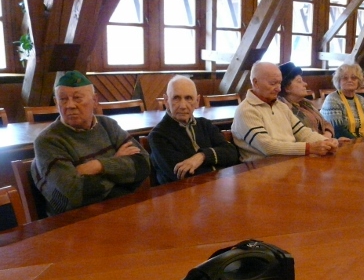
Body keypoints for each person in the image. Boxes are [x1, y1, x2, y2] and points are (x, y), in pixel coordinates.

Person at [31, 70, 150, 216]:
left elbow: (143, 165)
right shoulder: (48, 141)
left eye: (77, 98)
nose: (70, 105)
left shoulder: (108, 125)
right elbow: (74, 194)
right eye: (63, 99)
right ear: (56, 103)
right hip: (75, 220)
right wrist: (118, 166)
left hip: (120, 208)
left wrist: (96, 166)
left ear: (94, 100)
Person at [232, 61, 338, 162]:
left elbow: (302, 132)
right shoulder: (246, 110)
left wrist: (326, 142)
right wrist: (309, 148)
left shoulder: (281, 106)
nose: (278, 89)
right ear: (256, 83)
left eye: (279, 83)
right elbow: (267, 147)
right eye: (273, 83)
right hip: (260, 168)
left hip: (289, 164)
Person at [148, 75, 239, 184]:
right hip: (183, 192)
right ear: (166, 101)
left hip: (216, 186)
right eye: (176, 98)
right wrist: (218, 163)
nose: (183, 106)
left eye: (188, 98)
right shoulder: (158, 136)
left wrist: (202, 156)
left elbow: (232, 153)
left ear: (197, 101)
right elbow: (182, 174)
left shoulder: (205, 125)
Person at [277, 62, 336, 139]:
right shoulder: (284, 109)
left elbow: (325, 123)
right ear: (287, 88)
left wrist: (327, 136)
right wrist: (324, 140)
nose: (305, 84)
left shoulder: (305, 103)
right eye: (299, 81)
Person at [320, 63, 364, 139]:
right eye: (345, 78)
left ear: (359, 81)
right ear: (339, 81)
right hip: (341, 141)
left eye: (354, 78)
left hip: (362, 140)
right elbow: (338, 130)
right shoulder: (332, 99)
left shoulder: (361, 100)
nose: (349, 80)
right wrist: (360, 142)